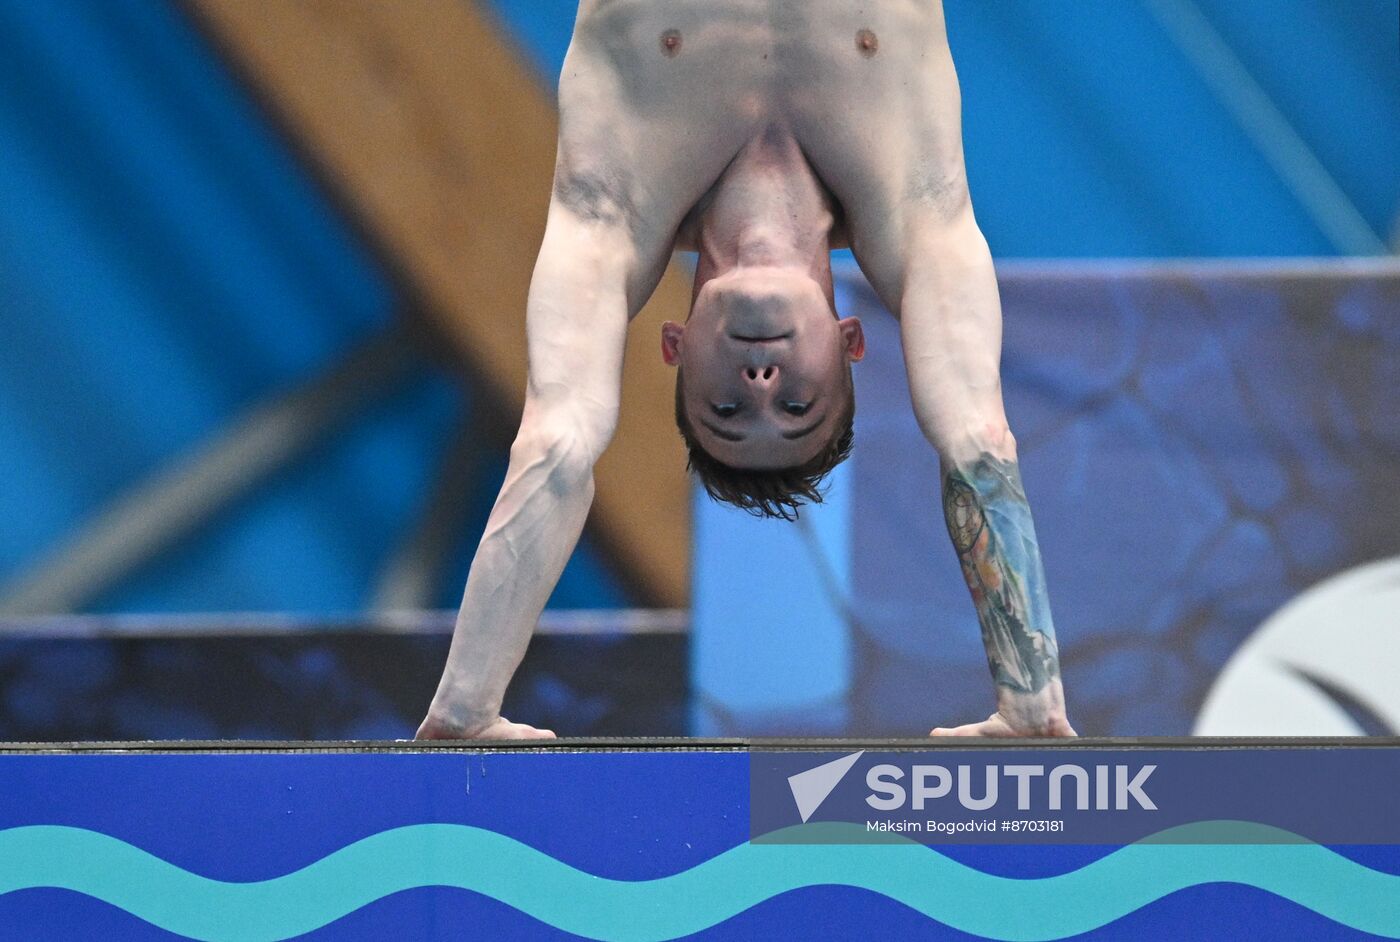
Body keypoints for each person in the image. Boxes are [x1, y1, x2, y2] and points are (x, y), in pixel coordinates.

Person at [417, 0, 1076, 740]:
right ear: (850, 338)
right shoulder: (922, 219)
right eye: (799, 405)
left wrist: (467, 708)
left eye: (725, 409)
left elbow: (558, 445)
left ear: (674, 344)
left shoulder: (605, 221)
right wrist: (1030, 703)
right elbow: (976, 438)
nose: (761, 385)